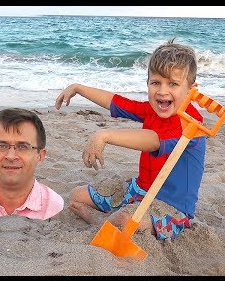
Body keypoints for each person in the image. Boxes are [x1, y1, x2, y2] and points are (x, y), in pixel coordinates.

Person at [54, 38, 205, 240]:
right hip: (139, 189)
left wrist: (104, 134)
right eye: (155, 82)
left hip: (171, 206)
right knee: (76, 196)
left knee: (125, 219)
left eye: (173, 83)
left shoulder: (192, 125)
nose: (162, 91)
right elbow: (117, 102)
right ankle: (104, 223)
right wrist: (79, 88)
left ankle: (97, 223)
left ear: (191, 90)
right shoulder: (153, 110)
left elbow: (154, 140)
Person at [0, 108, 64, 220]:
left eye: (22, 147)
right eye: (2, 146)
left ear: (40, 156)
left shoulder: (55, 207)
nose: (11, 156)